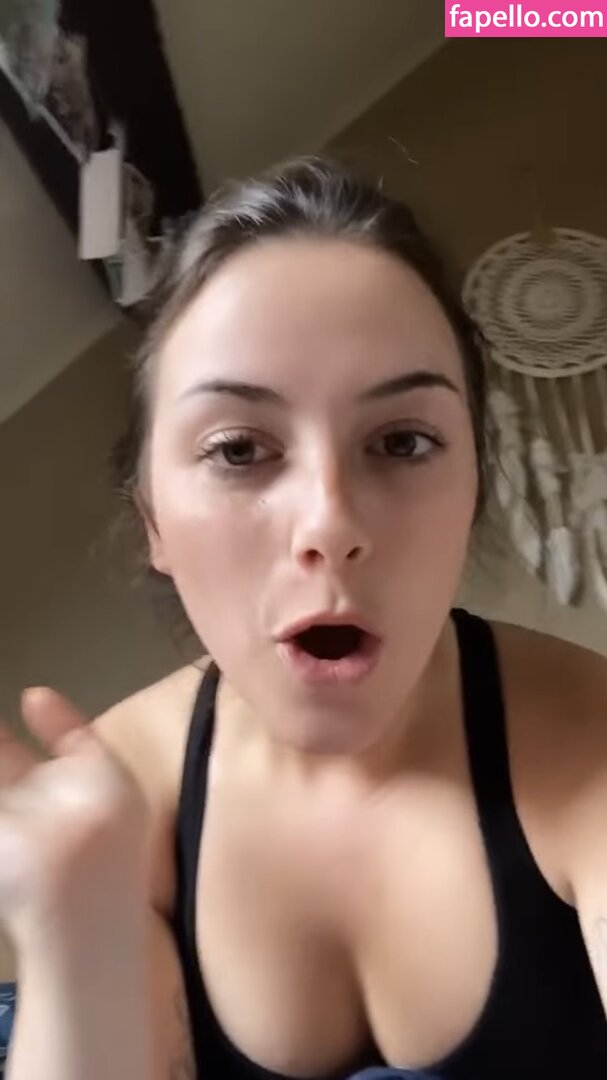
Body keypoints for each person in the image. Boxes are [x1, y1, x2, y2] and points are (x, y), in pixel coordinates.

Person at [1, 157, 607, 1080]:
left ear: (471, 490)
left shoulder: (590, 737)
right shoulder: (118, 799)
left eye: (402, 441)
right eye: (238, 450)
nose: (329, 522)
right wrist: (75, 945)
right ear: (154, 521)